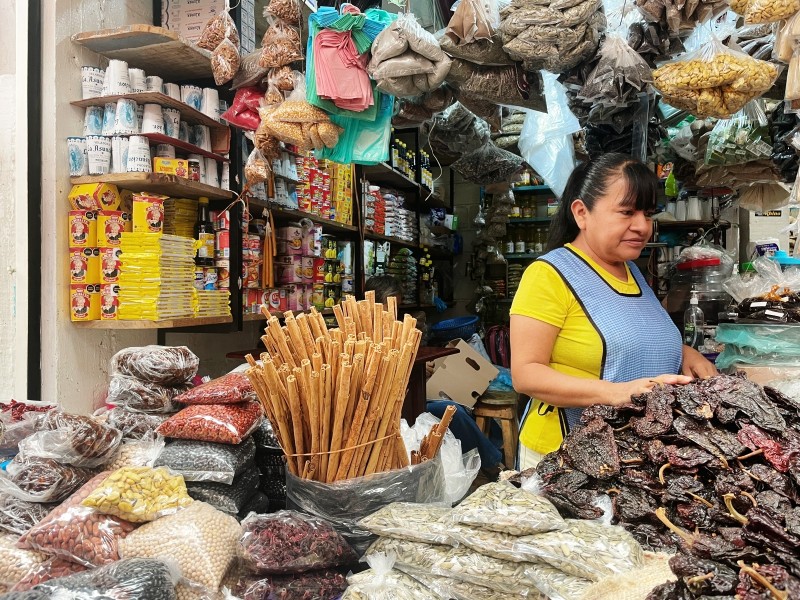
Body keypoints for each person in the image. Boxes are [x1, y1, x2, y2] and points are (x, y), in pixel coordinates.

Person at [510, 153, 717, 469]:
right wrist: (617, 393)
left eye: (647, 214)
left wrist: (684, 353)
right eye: (626, 212)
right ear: (582, 213)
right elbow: (526, 374)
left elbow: (637, 335)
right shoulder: (549, 274)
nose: (641, 226)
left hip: (625, 453)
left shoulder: (631, 272)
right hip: (563, 455)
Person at [364, 275, 505, 475]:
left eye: (397, 305)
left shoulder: (392, 330)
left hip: (407, 397)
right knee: (452, 411)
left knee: (465, 403)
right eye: (390, 305)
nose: (394, 311)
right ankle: (493, 464)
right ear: (375, 303)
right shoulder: (366, 335)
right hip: (390, 408)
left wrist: (421, 367)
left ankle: (494, 451)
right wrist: (413, 368)